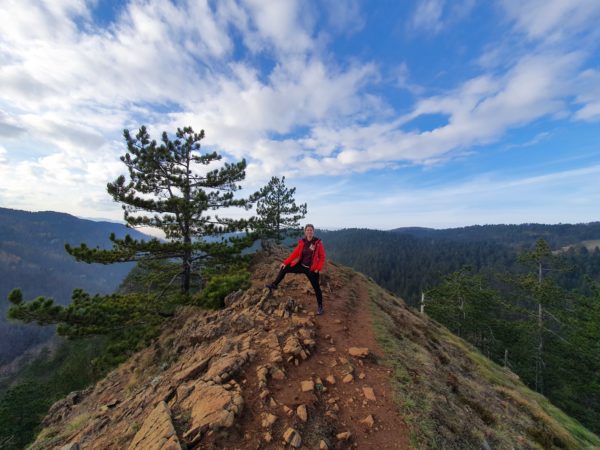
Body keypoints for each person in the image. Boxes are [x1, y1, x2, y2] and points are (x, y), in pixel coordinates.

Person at [266, 224, 326, 315]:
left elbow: (322, 257)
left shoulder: (317, 243)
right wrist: (285, 262)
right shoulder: (302, 242)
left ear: (313, 231)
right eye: (308, 230)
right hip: (301, 266)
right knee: (284, 268)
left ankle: (320, 306)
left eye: (311, 230)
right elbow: (295, 254)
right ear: (305, 232)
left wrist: (318, 268)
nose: (309, 232)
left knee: (316, 288)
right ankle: (274, 285)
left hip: (311, 269)